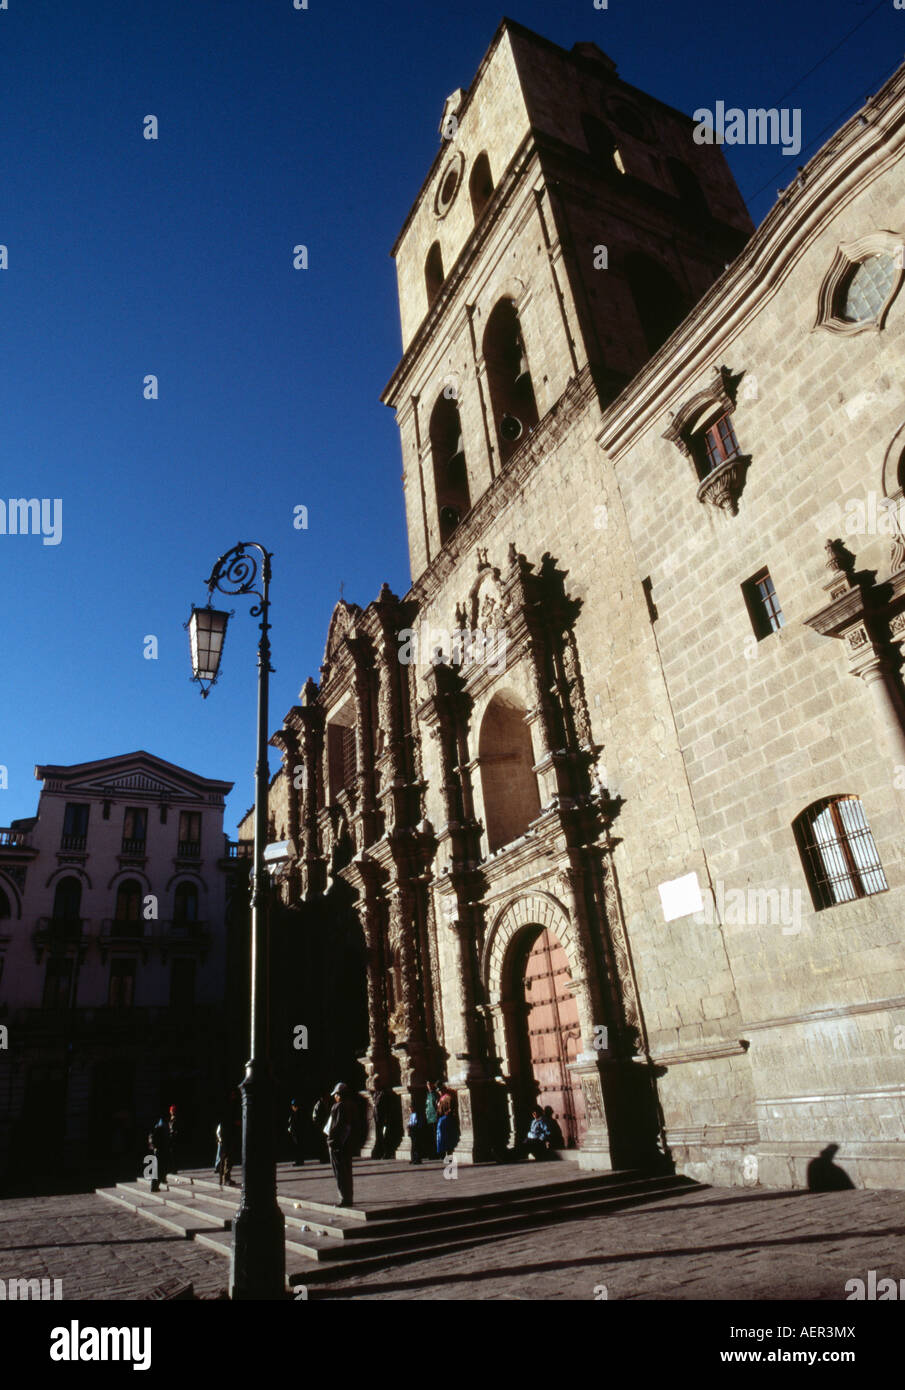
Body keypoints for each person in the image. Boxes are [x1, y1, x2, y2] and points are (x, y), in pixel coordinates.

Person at [325, 1082, 356, 1207]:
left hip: (337, 1143)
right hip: (348, 1143)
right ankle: (349, 1196)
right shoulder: (352, 1106)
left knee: (339, 1171)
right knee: (347, 1170)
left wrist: (331, 1141)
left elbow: (335, 1127)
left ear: (339, 1095)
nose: (334, 1097)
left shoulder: (338, 1107)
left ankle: (344, 1198)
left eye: (336, 1094)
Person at [215, 1090, 240, 1188]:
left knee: (224, 1156)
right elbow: (229, 1120)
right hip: (228, 1134)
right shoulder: (230, 1107)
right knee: (227, 1157)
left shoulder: (225, 1106)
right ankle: (226, 1177)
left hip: (225, 1134)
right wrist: (235, 1123)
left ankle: (222, 1178)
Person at [436, 1083, 459, 1161]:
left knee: (448, 1138)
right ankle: (446, 1154)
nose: (439, 1092)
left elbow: (451, 1108)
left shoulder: (448, 1097)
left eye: (440, 1090)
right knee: (444, 1138)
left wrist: (448, 1113)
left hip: (448, 1119)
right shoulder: (441, 1099)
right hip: (442, 1119)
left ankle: (449, 1155)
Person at [373, 1085, 394, 1159]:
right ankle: (379, 1153)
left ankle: (386, 1153)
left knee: (384, 1136)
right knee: (379, 1136)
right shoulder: (375, 1094)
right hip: (377, 1119)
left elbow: (385, 1106)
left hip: (383, 1118)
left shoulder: (383, 1094)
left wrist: (386, 1118)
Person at [148, 1116, 169, 1185]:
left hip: (156, 1150)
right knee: (159, 1167)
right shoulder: (159, 1131)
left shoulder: (154, 1130)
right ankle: (155, 1185)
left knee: (159, 1167)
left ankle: (161, 1180)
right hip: (159, 1150)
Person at [312, 1093, 331, 1162]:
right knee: (322, 1143)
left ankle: (326, 1157)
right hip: (321, 1126)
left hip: (325, 1126)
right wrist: (318, 1124)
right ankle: (323, 1158)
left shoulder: (326, 1103)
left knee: (325, 1142)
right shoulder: (319, 1104)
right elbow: (315, 1116)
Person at [287, 1098, 305, 1167]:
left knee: (298, 1147)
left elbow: (293, 1123)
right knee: (298, 1147)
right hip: (296, 1133)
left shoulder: (297, 1113)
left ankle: (299, 1161)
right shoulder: (296, 1113)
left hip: (297, 1133)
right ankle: (300, 1160)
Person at [424, 1081, 439, 1159]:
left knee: (435, 1136)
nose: (428, 1085)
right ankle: (432, 1153)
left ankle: (437, 1153)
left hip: (434, 1117)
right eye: (427, 1084)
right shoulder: (427, 1094)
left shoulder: (435, 1094)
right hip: (429, 1118)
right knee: (430, 1137)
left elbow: (437, 1105)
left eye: (430, 1084)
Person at [167, 1105, 179, 1174]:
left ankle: (174, 1169)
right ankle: (172, 1168)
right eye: (171, 1110)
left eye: (173, 1110)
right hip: (170, 1138)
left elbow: (175, 1129)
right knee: (171, 1154)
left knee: (173, 1154)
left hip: (174, 1138)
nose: (172, 1112)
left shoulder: (175, 1119)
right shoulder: (171, 1118)